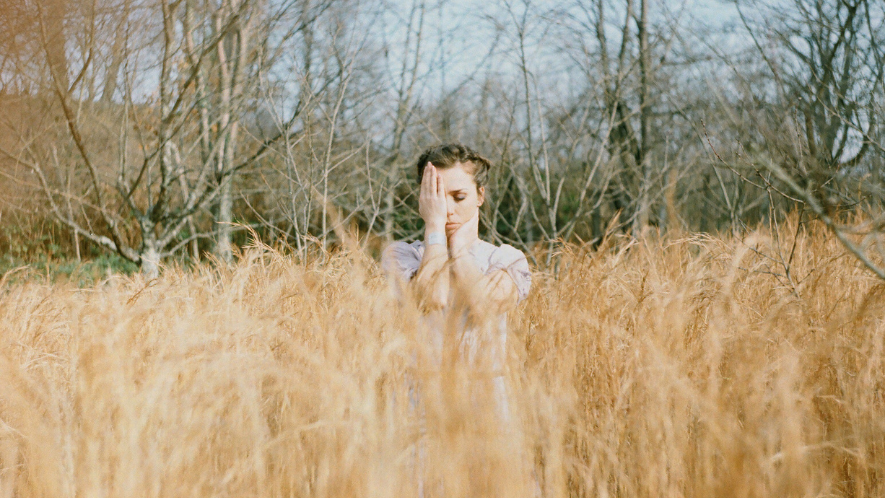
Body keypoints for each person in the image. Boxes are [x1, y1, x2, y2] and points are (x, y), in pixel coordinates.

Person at [381, 143, 532, 417]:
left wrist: (460, 250)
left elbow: (483, 306)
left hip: (486, 408)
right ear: (424, 200)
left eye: (458, 197)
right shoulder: (402, 256)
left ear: (479, 196)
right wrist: (436, 230)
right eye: (438, 198)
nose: (447, 209)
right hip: (420, 407)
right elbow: (432, 297)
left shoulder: (507, 259)